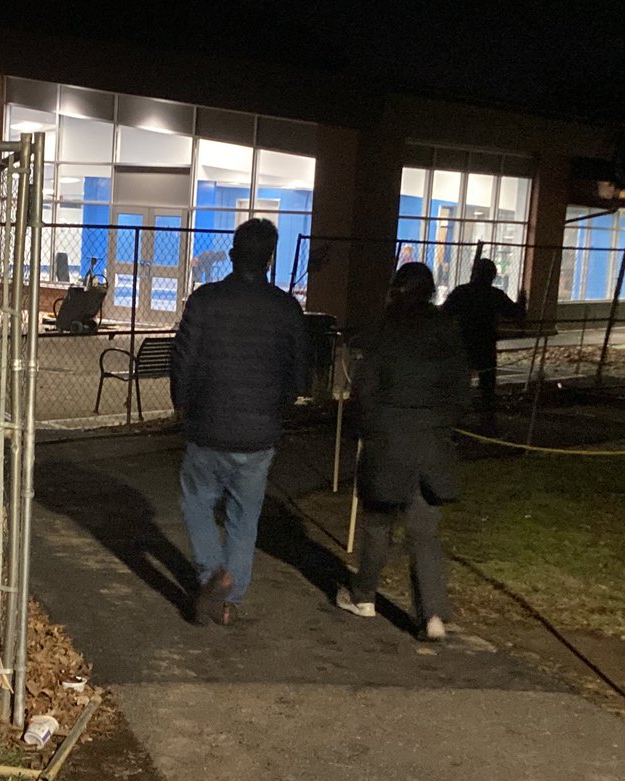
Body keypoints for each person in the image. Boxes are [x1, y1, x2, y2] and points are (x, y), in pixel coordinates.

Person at [171, 218, 310, 626]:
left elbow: (183, 360)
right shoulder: (287, 308)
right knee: (244, 517)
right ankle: (231, 596)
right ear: (270, 259)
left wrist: (183, 405)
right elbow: (300, 375)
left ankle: (213, 572)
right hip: (260, 431)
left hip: (208, 425)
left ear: (232, 254)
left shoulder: (205, 300)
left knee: (195, 501)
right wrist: (279, 407)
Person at [335, 262, 468, 640]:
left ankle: (364, 597)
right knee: (424, 531)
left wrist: (364, 428)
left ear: (396, 290)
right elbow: (461, 393)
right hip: (431, 444)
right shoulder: (446, 332)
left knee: (378, 524)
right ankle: (433, 614)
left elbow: (366, 390)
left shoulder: (384, 330)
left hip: (389, 442)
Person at [442, 258, 526, 433]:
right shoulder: (494, 295)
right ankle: (487, 421)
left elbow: (444, 314)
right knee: (487, 386)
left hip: (464, 343)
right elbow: (515, 313)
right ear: (492, 276)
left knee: (459, 383)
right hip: (485, 344)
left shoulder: (462, 292)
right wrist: (522, 302)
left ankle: (455, 421)